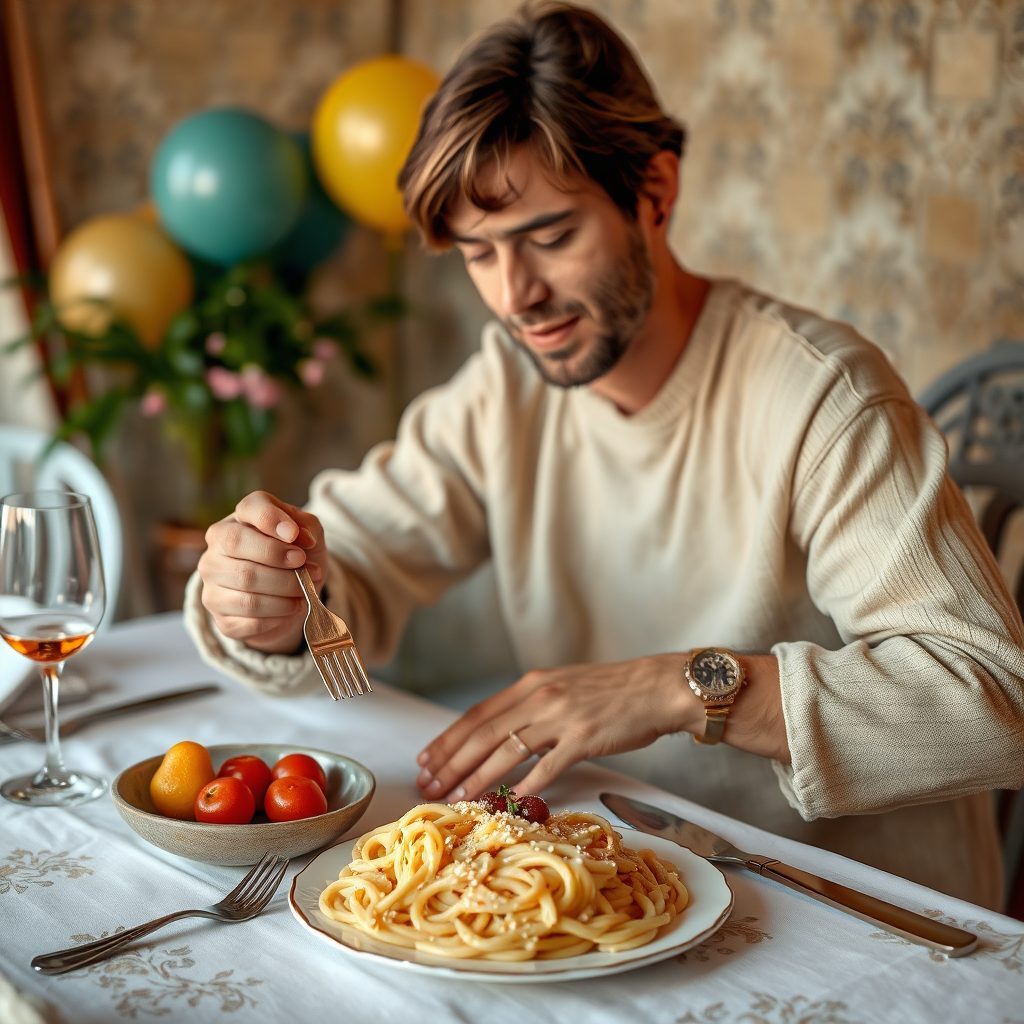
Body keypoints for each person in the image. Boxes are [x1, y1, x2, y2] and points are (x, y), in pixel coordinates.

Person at [185, 2, 1024, 908]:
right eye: (478, 255)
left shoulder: (824, 397)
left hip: (850, 911)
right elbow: (350, 561)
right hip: (627, 889)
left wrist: (680, 687)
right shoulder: (507, 383)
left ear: (655, 192)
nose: (518, 296)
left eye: (550, 237)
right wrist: (265, 599)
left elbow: (990, 701)